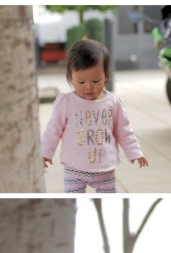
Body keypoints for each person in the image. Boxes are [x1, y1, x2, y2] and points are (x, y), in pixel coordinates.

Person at [41, 39, 149, 193]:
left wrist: (135, 152)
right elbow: (53, 130)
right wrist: (45, 153)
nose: (89, 86)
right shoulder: (66, 102)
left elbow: (124, 130)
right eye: (81, 81)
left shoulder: (113, 103)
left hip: (105, 170)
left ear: (106, 77)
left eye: (96, 81)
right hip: (74, 169)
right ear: (70, 77)